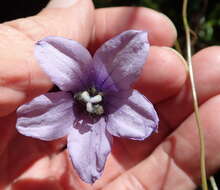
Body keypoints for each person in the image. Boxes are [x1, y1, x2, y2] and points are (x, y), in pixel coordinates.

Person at [0, 0, 219, 189]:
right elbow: (50, 53)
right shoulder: (64, 61)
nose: (89, 99)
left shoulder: (121, 80)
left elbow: (142, 121)